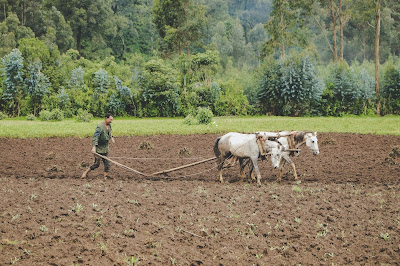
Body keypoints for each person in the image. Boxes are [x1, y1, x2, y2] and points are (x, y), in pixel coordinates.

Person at [81, 113, 115, 179]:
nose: (111, 121)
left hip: (105, 148)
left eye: (112, 120)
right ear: (106, 118)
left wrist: (111, 137)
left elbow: (109, 133)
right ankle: (85, 173)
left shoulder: (109, 126)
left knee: (107, 163)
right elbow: (95, 137)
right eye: (110, 119)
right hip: (98, 148)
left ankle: (105, 176)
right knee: (96, 164)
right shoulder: (100, 126)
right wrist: (94, 147)